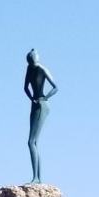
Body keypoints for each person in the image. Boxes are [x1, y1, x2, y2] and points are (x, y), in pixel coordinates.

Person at [23, 49, 58, 184]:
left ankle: (36, 178)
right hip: (36, 104)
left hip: (42, 106)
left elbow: (55, 87)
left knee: (32, 142)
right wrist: (32, 98)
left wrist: (44, 98)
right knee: (33, 142)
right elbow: (25, 87)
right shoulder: (29, 69)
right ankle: (36, 177)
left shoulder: (41, 68)